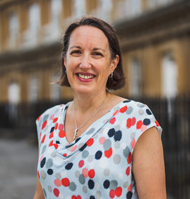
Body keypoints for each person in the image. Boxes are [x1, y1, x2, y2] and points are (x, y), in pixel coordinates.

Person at [33, 16, 166, 199]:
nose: (85, 63)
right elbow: (41, 194)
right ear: (65, 60)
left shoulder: (136, 120)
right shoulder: (47, 120)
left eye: (96, 54)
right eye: (76, 52)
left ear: (112, 64)